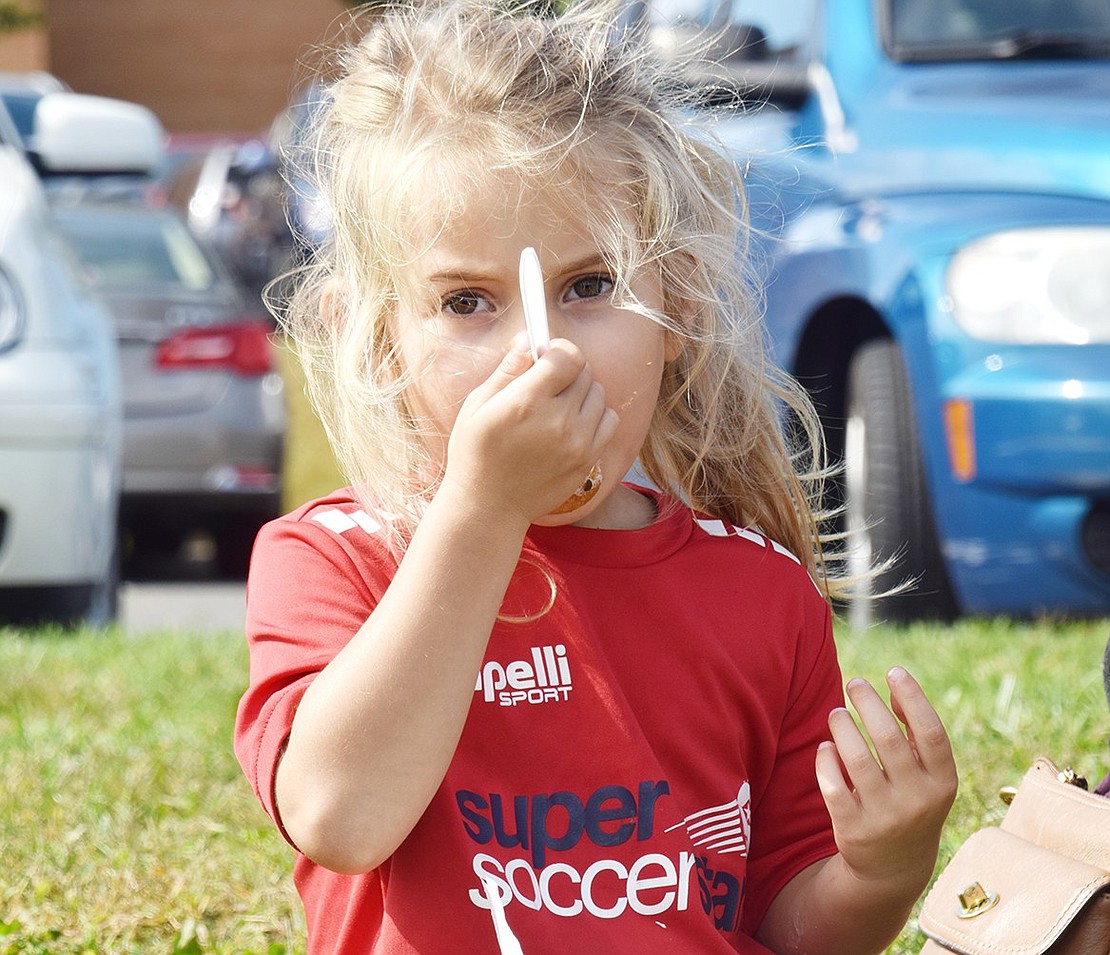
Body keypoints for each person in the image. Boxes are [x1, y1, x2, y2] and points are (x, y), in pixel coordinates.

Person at [233, 1, 957, 952]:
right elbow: (340, 816)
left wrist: (881, 870)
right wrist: (484, 507)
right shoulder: (332, 562)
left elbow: (786, 928)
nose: (542, 350)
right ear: (376, 340)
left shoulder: (761, 591)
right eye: (466, 302)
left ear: (676, 305)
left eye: (588, 285)